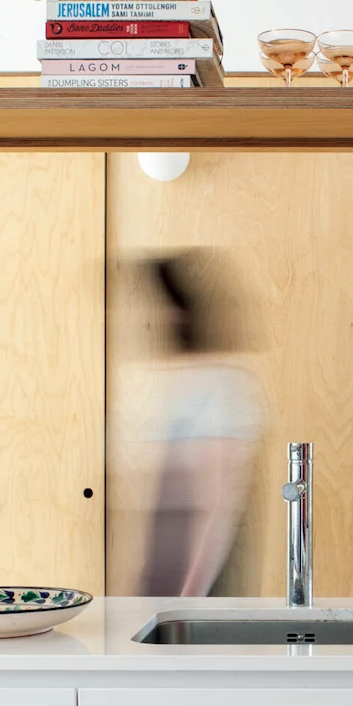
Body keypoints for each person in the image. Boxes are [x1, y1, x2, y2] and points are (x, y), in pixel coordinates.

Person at [138, 249, 265, 597]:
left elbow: (218, 502)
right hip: (168, 580)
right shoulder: (181, 385)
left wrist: (191, 591)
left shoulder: (219, 387)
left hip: (194, 583)